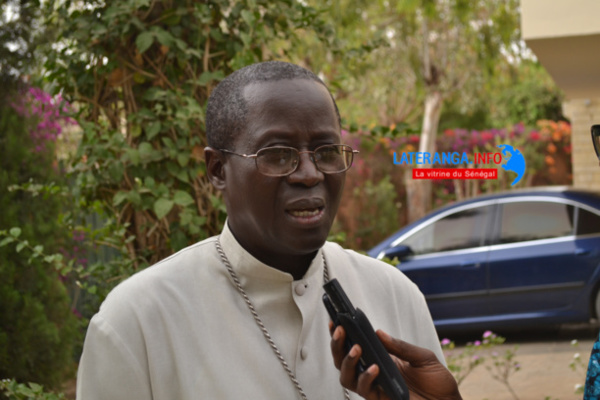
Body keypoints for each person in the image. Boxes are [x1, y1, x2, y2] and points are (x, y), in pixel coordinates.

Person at [76, 60, 458, 400]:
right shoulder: (136, 323)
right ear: (217, 170)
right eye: (277, 154)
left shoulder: (395, 294)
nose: (310, 174)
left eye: (326, 152)